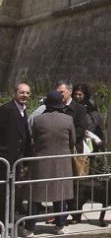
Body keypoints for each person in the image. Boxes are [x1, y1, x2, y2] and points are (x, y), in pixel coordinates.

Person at [25, 90, 76, 236]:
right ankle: (60, 226)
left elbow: (34, 137)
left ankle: (29, 228)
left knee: (36, 195)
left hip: (41, 160)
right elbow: (72, 141)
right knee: (60, 194)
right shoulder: (68, 120)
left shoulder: (38, 120)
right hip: (62, 162)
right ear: (61, 104)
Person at [0, 83, 32, 234]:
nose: (24, 95)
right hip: (6, 160)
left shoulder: (22, 111)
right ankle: (4, 224)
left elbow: (24, 134)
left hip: (17, 160)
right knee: (4, 193)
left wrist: (27, 158)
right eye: (22, 93)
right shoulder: (6, 109)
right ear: (15, 93)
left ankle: (9, 222)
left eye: (27, 93)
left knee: (12, 193)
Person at [56, 81, 88, 222]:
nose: (59, 95)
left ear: (69, 92)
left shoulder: (79, 109)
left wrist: (67, 138)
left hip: (73, 150)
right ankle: (60, 214)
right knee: (59, 184)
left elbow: (82, 129)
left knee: (75, 185)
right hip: (58, 151)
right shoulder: (54, 107)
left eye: (61, 92)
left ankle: (75, 214)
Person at [73, 84, 104, 152]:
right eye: (75, 94)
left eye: (80, 94)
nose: (77, 96)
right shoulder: (72, 106)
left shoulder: (90, 106)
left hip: (91, 137)